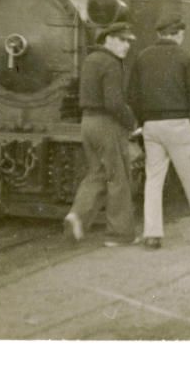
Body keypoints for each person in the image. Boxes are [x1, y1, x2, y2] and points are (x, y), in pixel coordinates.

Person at [129, 15, 190, 250]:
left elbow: (132, 94)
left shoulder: (142, 57)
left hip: (151, 126)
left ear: (159, 34)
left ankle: (152, 234)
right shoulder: (186, 57)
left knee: (153, 179)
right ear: (177, 34)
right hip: (178, 124)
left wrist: (144, 120)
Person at [64, 22, 140, 248]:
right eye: (123, 40)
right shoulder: (111, 63)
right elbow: (114, 103)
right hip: (107, 125)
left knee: (96, 173)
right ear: (109, 39)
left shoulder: (90, 60)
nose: (127, 46)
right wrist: (131, 123)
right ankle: (119, 234)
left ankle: (76, 216)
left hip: (87, 123)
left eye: (129, 41)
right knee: (118, 178)